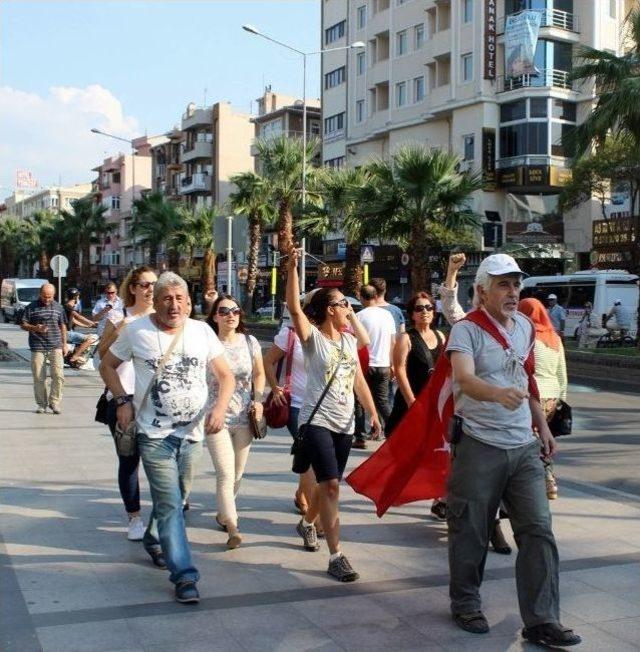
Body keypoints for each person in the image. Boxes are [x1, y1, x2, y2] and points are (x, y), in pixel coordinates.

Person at [444, 254, 580, 646]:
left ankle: (542, 620)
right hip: (479, 444)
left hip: (523, 447)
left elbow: (528, 380)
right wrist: (496, 393)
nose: (512, 292)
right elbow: (465, 380)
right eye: (503, 284)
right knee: (470, 528)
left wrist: (542, 426)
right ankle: (466, 602)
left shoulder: (524, 326)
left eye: (516, 284)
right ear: (483, 290)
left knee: (538, 529)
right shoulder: (466, 331)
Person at [100, 272, 235, 604]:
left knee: (179, 497)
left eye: (179, 299)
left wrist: (219, 408)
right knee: (171, 503)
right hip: (154, 434)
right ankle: (185, 575)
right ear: (156, 302)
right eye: (166, 298)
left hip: (192, 433)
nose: (173, 305)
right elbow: (106, 365)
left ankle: (152, 537)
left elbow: (225, 375)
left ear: (188, 302)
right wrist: (121, 401)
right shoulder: (136, 331)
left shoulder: (202, 331)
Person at [286, 245, 381, 582]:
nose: (348, 307)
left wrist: (371, 412)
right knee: (330, 487)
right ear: (327, 310)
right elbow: (295, 309)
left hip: (344, 422)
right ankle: (336, 556)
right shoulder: (314, 340)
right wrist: (292, 265)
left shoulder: (347, 341)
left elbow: (357, 377)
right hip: (317, 421)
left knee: (330, 486)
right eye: (342, 304)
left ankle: (308, 522)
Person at [97, 266, 157, 541]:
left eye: (154, 284)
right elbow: (102, 355)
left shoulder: (163, 317)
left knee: (160, 458)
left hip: (157, 398)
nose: (150, 289)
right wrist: (120, 328)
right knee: (129, 460)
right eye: (144, 284)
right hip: (124, 397)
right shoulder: (118, 315)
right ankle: (134, 517)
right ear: (132, 288)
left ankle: (167, 510)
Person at [205, 294, 266, 549]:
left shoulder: (250, 342)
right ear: (215, 316)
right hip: (215, 416)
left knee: (237, 473)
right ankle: (233, 526)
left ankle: (223, 513)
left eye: (235, 311)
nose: (231, 315)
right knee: (225, 473)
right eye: (224, 311)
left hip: (244, 417)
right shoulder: (207, 343)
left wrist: (260, 399)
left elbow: (260, 373)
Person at [385, 292, 447, 520]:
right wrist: (412, 402)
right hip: (410, 403)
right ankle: (395, 482)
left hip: (435, 405)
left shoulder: (441, 336)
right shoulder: (406, 338)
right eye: (420, 308)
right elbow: (399, 369)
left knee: (438, 453)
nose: (425, 312)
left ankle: (440, 499)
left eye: (429, 307)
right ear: (411, 313)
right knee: (405, 450)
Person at [518, 298, 567, 501]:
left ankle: (542, 481)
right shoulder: (555, 338)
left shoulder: (526, 337)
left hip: (533, 398)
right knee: (545, 441)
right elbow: (562, 374)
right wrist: (561, 401)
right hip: (552, 397)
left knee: (530, 444)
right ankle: (549, 481)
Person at [354, 284, 396, 441]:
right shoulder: (387, 316)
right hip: (383, 364)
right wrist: (391, 363)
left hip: (365, 364)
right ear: (376, 296)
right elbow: (393, 342)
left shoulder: (360, 316)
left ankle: (360, 435)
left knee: (359, 400)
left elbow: (355, 342)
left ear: (362, 298)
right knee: (382, 400)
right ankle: (393, 429)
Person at [20, 283, 68, 414]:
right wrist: (35, 328)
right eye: (45, 296)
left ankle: (55, 402)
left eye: (50, 297)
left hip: (55, 345)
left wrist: (65, 344)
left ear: (54, 295)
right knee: (38, 377)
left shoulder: (59, 307)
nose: (47, 299)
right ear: (40, 294)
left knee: (58, 376)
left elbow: (63, 325)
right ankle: (42, 404)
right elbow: (23, 324)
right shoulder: (31, 307)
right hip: (37, 346)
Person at [63, 288, 100, 367]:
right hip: (66, 333)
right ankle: (74, 357)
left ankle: (73, 355)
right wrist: (91, 322)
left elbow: (73, 320)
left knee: (86, 336)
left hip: (69, 332)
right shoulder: (69, 306)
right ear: (76, 297)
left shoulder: (67, 307)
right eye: (78, 296)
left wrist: (88, 326)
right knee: (90, 339)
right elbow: (78, 317)